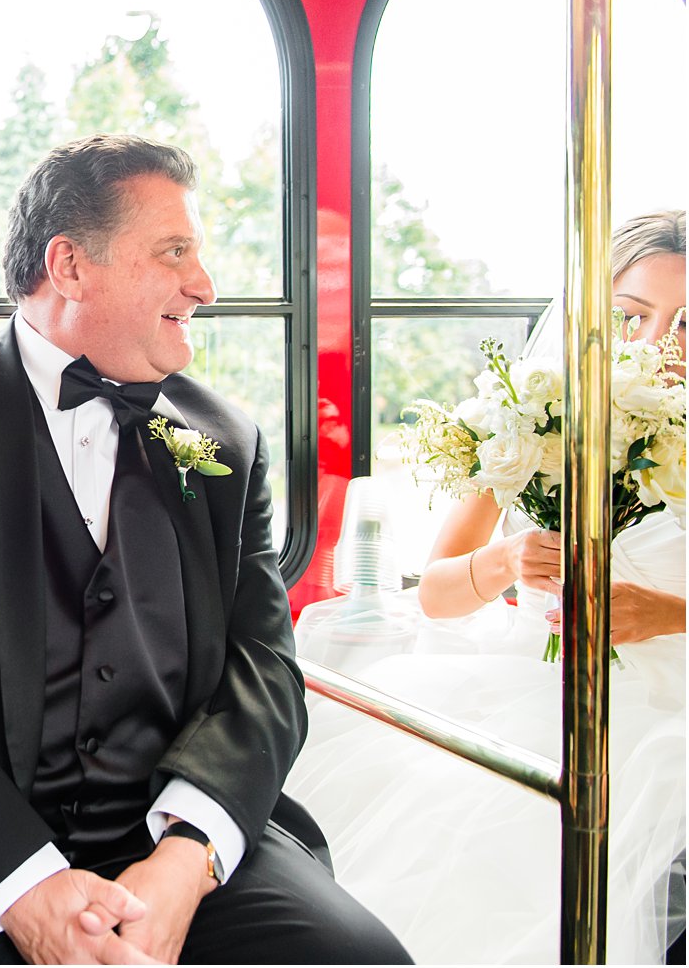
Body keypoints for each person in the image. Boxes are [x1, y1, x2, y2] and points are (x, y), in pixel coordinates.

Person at [0, 134, 410, 964]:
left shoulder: (226, 440)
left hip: (171, 832)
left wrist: (184, 861)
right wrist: (21, 883)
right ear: (71, 266)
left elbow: (266, 668)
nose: (205, 285)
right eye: (175, 253)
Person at [286, 209, 686, 963]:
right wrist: (504, 564)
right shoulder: (533, 424)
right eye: (633, 316)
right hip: (516, 680)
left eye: (685, 323)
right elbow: (436, 593)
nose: (655, 346)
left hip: (667, 706)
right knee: (436, 804)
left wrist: (665, 613)